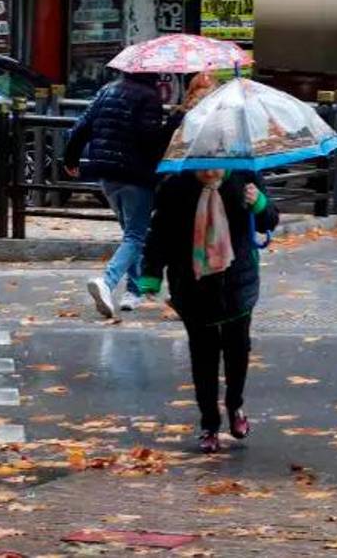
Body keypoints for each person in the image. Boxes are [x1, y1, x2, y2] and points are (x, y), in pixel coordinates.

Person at [138, 169, 279, 454]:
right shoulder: (175, 187)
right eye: (204, 165)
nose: (211, 171)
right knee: (203, 355)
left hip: (237, 282)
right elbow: (159, 234)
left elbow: (270, 220)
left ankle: (235, 404)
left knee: (237, 350)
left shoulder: (244, 178)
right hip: (192, 284)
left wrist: (260, 203)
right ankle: (209, 423)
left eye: (217, 164)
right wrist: (151, 274)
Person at [64, 73, 183, 318]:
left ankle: (134, 292)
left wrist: (71, 157)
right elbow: (150, 141)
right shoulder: (149, 97)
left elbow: (84, 124)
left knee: (131, 234)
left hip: (106, 175)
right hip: (135, 175)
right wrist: (172, 124)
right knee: (135, 236)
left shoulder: (107, 89)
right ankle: (107, 283)